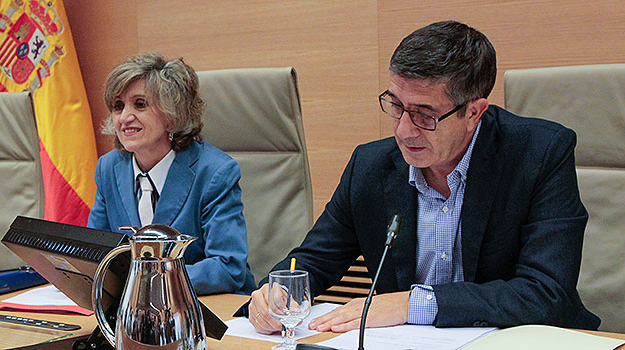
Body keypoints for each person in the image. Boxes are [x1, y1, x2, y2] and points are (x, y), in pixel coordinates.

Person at [248, 20, 600, 333]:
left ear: (474, 113)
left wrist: (411, 304)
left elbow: (546, 292)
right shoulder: (370, 165)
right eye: (397, 106)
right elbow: (315, 258)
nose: (403, 131)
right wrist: (278, 292)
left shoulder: (539, 154)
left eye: (424, 115)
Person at [88, 53, 256, 295]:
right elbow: (96, 253)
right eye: (118, 106)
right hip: (132, 313)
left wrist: (148, 283)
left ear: (173, 113)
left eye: (140, 104)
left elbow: (227, 267)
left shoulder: (214, 172)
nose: (124, 117)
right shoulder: (108, 168)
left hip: (203, 308)